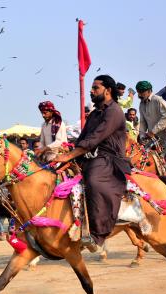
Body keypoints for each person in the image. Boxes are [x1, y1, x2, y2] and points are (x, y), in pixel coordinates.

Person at [52, 75, 130, 251]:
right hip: (90, 156)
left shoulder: (114, 111)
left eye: (95, 88)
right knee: (59, 177)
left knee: (93, 180)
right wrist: (68, 156)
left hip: (109, 159)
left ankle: (98, 235)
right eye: (92, 88)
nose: (91, 91)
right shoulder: (95, 113)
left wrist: (69, 156)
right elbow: (83, 139)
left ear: (108, 91)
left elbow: (95, 139)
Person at [136, 80, 166, 179]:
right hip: (153, 142)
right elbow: (142, 122)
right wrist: (141, 136)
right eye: (138, 91)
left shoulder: (158, 100)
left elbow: (165, 118)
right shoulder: (141, 104)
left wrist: (152, 131)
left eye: (142, 91)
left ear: (149, 91)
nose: (139, 94)